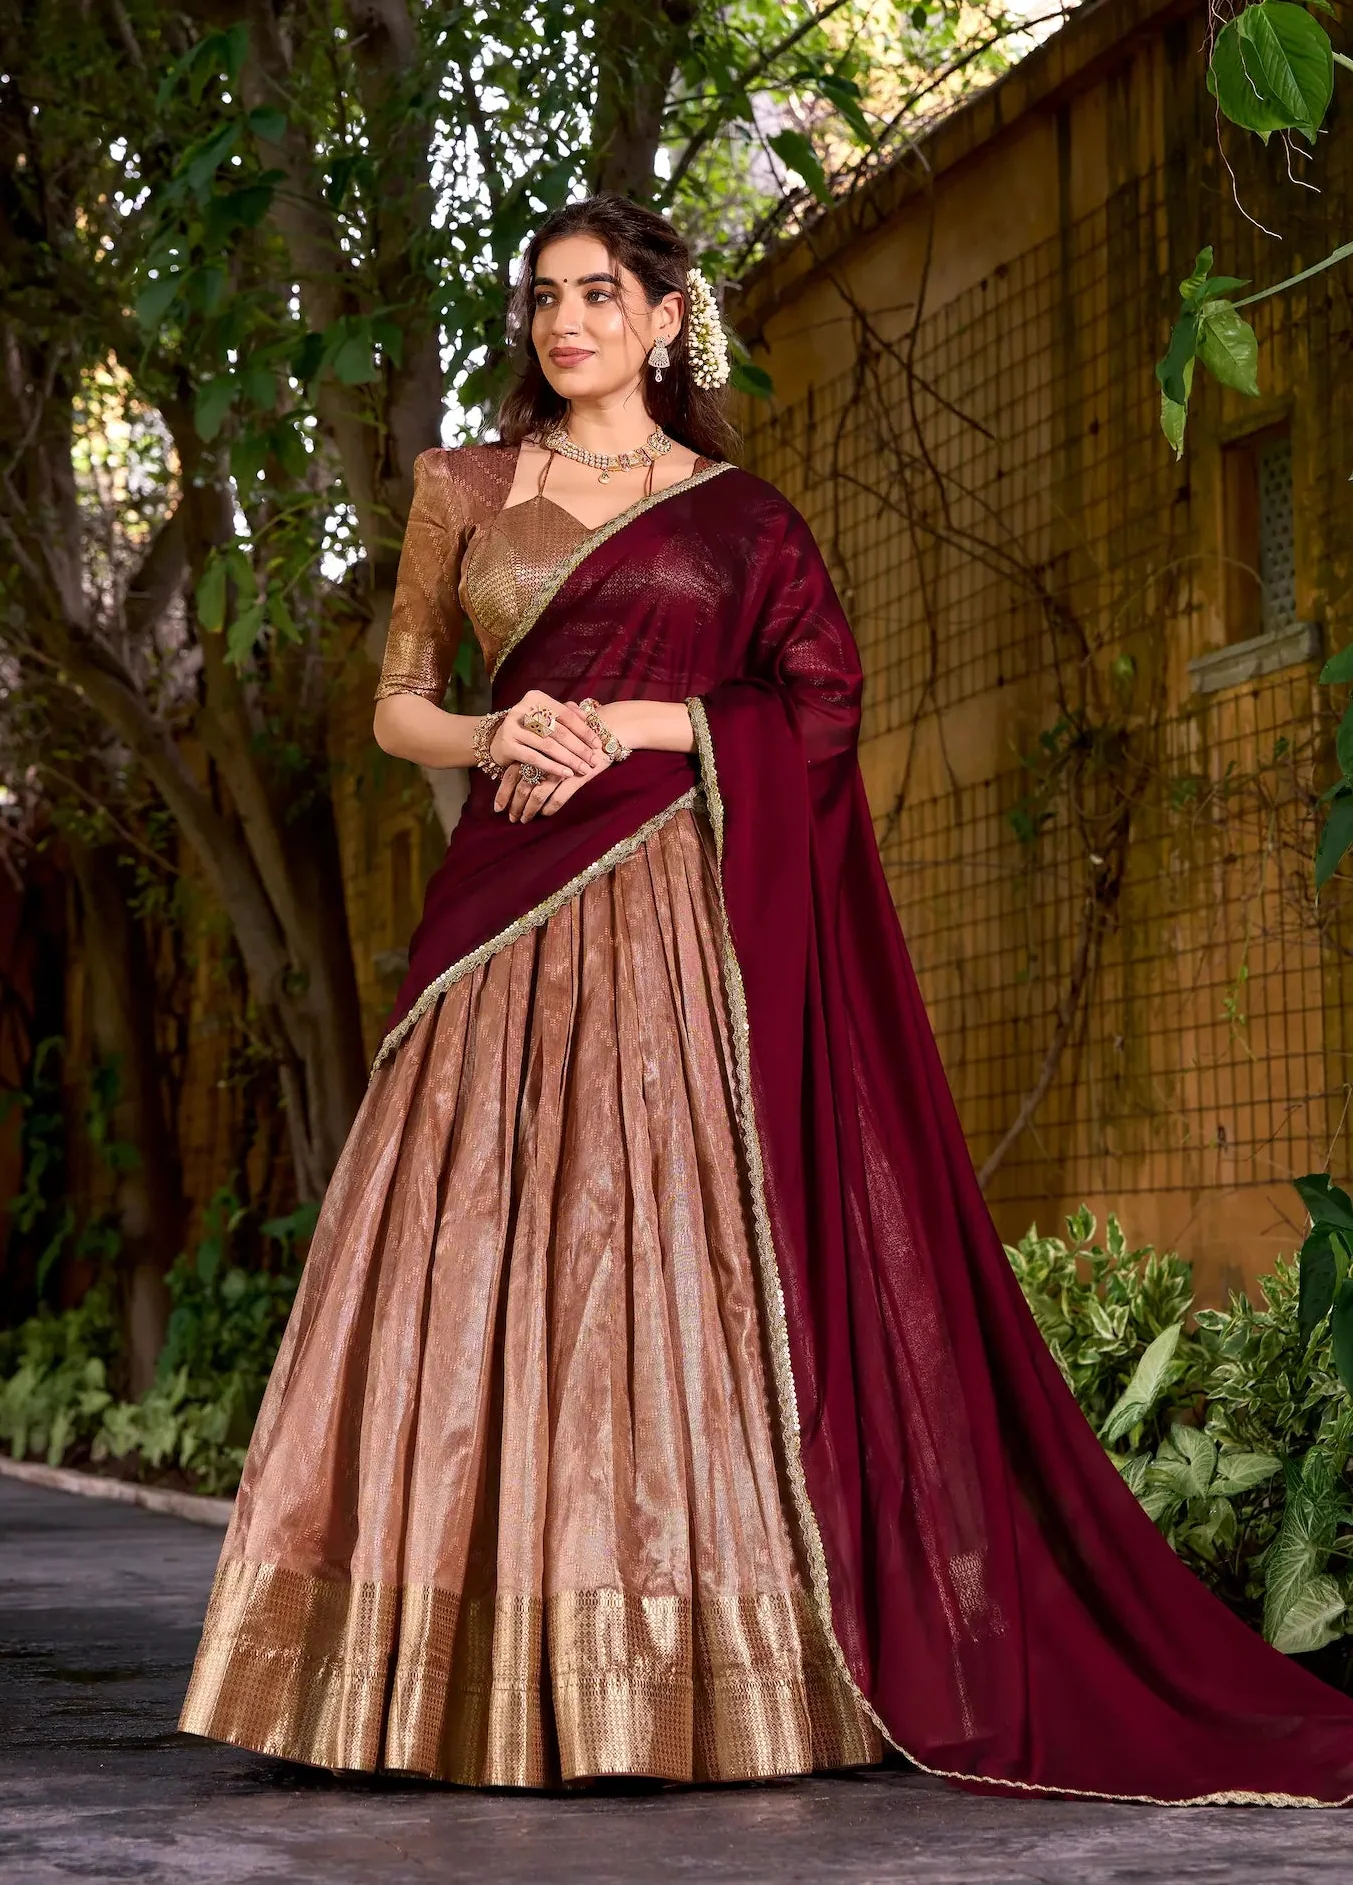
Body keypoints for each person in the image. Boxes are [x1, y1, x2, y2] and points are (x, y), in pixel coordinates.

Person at [181, 193, 1354, 1802]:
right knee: (467, 1253)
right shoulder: (462, 486)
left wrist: (644, 722)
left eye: (600, 294)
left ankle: (695, 1671)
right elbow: (398, 704)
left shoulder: (742, 519)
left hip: (676, 920)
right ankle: (439, 1679)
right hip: (498, 931)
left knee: (665, 1256)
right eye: (543, 296)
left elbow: (822, 702)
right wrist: (494, 731)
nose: (565, 321)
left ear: (668, 318)